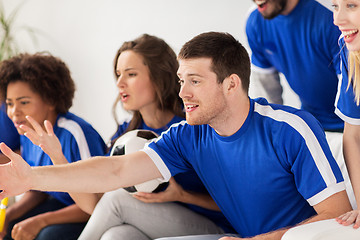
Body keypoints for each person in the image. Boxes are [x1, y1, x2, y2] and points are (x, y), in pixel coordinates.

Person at [0, 32, 352, 240]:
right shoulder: (187, 135)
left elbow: (337, 217)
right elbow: (115, 171)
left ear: (232, 84)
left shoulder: (290, 129)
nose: (183, 92)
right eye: (182, 81)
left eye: (195, 81)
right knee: (120, 235)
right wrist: (31, 177)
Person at [21, 34, 234, 240]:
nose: (120, 83)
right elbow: (95, 205)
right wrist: (57, 157)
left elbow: (237, 200)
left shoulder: (193, 126)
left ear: (159, 76)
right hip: (155, 222)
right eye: (118, 74)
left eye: (131, 74)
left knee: (118, 200)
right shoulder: (126, 136)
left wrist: (182, 195)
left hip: (212, 226)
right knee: (115, 235)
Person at [246, 0, 357, 209]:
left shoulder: (331, 21)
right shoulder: (256, 21)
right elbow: (267, 102)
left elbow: (353, 123)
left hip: (346, 133)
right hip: (313, 132)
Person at [0, 52, 106, 240]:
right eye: (9, 103)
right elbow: (40, 188)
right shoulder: (26, 131)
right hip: (61, 204)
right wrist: (10, 214)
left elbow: (97, 203)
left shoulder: (74, 133)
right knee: (10, 228)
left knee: (47, 236)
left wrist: (41, 221)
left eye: (23, 102)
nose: (14, 112)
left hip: (91, 212)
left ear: (50, 100)